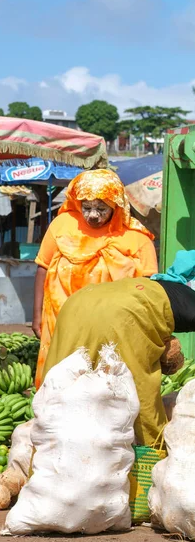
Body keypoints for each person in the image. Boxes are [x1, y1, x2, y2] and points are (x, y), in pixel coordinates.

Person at [42, 250, 195, 447]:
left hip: (76, 303)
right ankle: (152, 449)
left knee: (62, 381)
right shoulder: (188, 304)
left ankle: (46, 450)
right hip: (123, 313)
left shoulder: (156, 283)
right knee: (138, 386)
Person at [32, 169, 158, 388]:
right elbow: (43, 267)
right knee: (62, 382)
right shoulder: (62, 225)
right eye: (86, 207)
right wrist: (36, 317)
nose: (92, 215)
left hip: (113, 328)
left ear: (116, 206)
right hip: (62, 323)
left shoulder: (137, 238)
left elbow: (150, 286)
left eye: (101, 209)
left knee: (106, 385)